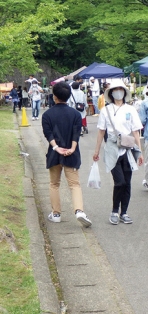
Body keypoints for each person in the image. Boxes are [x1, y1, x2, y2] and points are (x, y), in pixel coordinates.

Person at [93, 79, 143, 225]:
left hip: (128, 150)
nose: (118, 92)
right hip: (112, 149)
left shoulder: (131, 109)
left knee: (127, 183)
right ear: (111, 93)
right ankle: (115, 210)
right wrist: (96, 151)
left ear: (125, 92)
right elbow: (101, 132)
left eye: (121, 89)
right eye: (116, 89)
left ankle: (124, 212)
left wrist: (139, 152)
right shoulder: (105, 110)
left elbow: (136, 131)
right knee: (119, 182)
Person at [41, 82, 92, 227]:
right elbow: (77, 133)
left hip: (54, 153)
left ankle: (56, 214)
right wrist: (72, 148)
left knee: (54, 184)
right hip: (71, 153)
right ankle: (79, 211)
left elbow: (48, 133)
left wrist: (56, 147)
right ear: (68, 96)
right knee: (74, 184)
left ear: (54, 96)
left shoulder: (47, 115)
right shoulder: (75, 114)